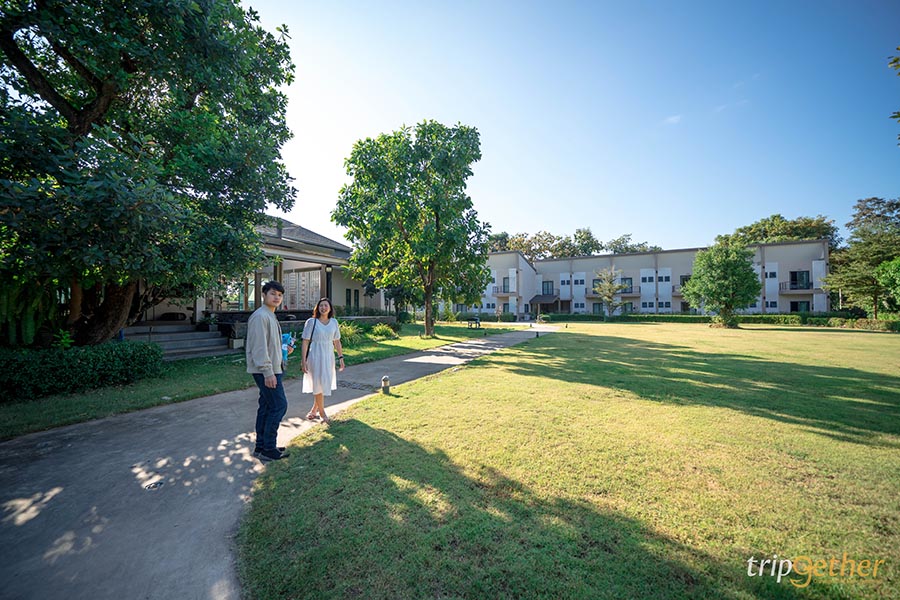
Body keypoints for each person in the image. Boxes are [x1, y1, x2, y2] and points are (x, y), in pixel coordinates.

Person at [246, 280, 292, 461]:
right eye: (273, 293)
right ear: (264, 295)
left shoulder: (270, 315)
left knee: (266, 407)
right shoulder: (260, 316)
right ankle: (268, 449)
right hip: (266, 370)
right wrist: (267, 372)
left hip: (273, 368)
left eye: (280, 295)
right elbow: (259, 347)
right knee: (279, 406)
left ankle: (262, 446)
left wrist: (284, 349)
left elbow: (269, 344)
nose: (277, 297)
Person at [301, 297, 344, 424]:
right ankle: (322, 412)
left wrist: (341, 357)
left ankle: (314, 409)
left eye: (326, 305)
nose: (323, 308)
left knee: (324, 382)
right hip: (315, 355)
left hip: (328, 356)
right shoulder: (311, 322)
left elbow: (337, 341)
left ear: (330, 308)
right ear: (317, 308)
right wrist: (303, 360)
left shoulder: (334, 322)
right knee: (317, 383)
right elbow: (305, 342)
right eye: (321, 305)